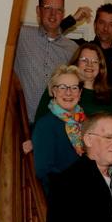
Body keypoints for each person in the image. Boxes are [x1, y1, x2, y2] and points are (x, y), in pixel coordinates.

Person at [14, 0, 78, 122]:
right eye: (48, 8)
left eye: (58, 10)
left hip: (54, 124)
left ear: (63, 14)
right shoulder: (21, 36)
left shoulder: (72, 49)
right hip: (21, 124)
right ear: (38, 10)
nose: (53, 14)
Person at [32, 42, 112, 125]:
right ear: (76, 63)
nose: (89, 64)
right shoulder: (58, 87)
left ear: (100, 66)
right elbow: (40, 121)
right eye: (84, 60)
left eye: (95, 61)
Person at [31, 65, 85, 193]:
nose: (68, 93)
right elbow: (44, 171)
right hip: (63, 194)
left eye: (74, 88)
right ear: (54, 91)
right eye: (62, 87)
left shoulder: (86, 122)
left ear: (80, 93)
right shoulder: (45, 125)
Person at [90, 3, 112, 70]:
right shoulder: (81, 48)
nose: (105, 28)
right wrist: (73, 19)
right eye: (102, 23)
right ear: (95, 25)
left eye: (111, 25)